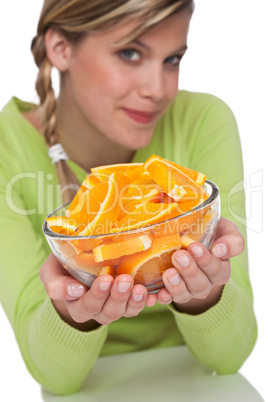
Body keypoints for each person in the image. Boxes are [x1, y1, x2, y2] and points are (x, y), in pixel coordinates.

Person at [0, 0, 257, 396]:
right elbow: (55, 379)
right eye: (130, 53)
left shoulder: (203, 120)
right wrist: (75, 315)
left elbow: (230, 359)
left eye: (172, 59)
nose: (157, 90)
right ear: (60, 49)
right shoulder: (7, 151)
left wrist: (206, 293)